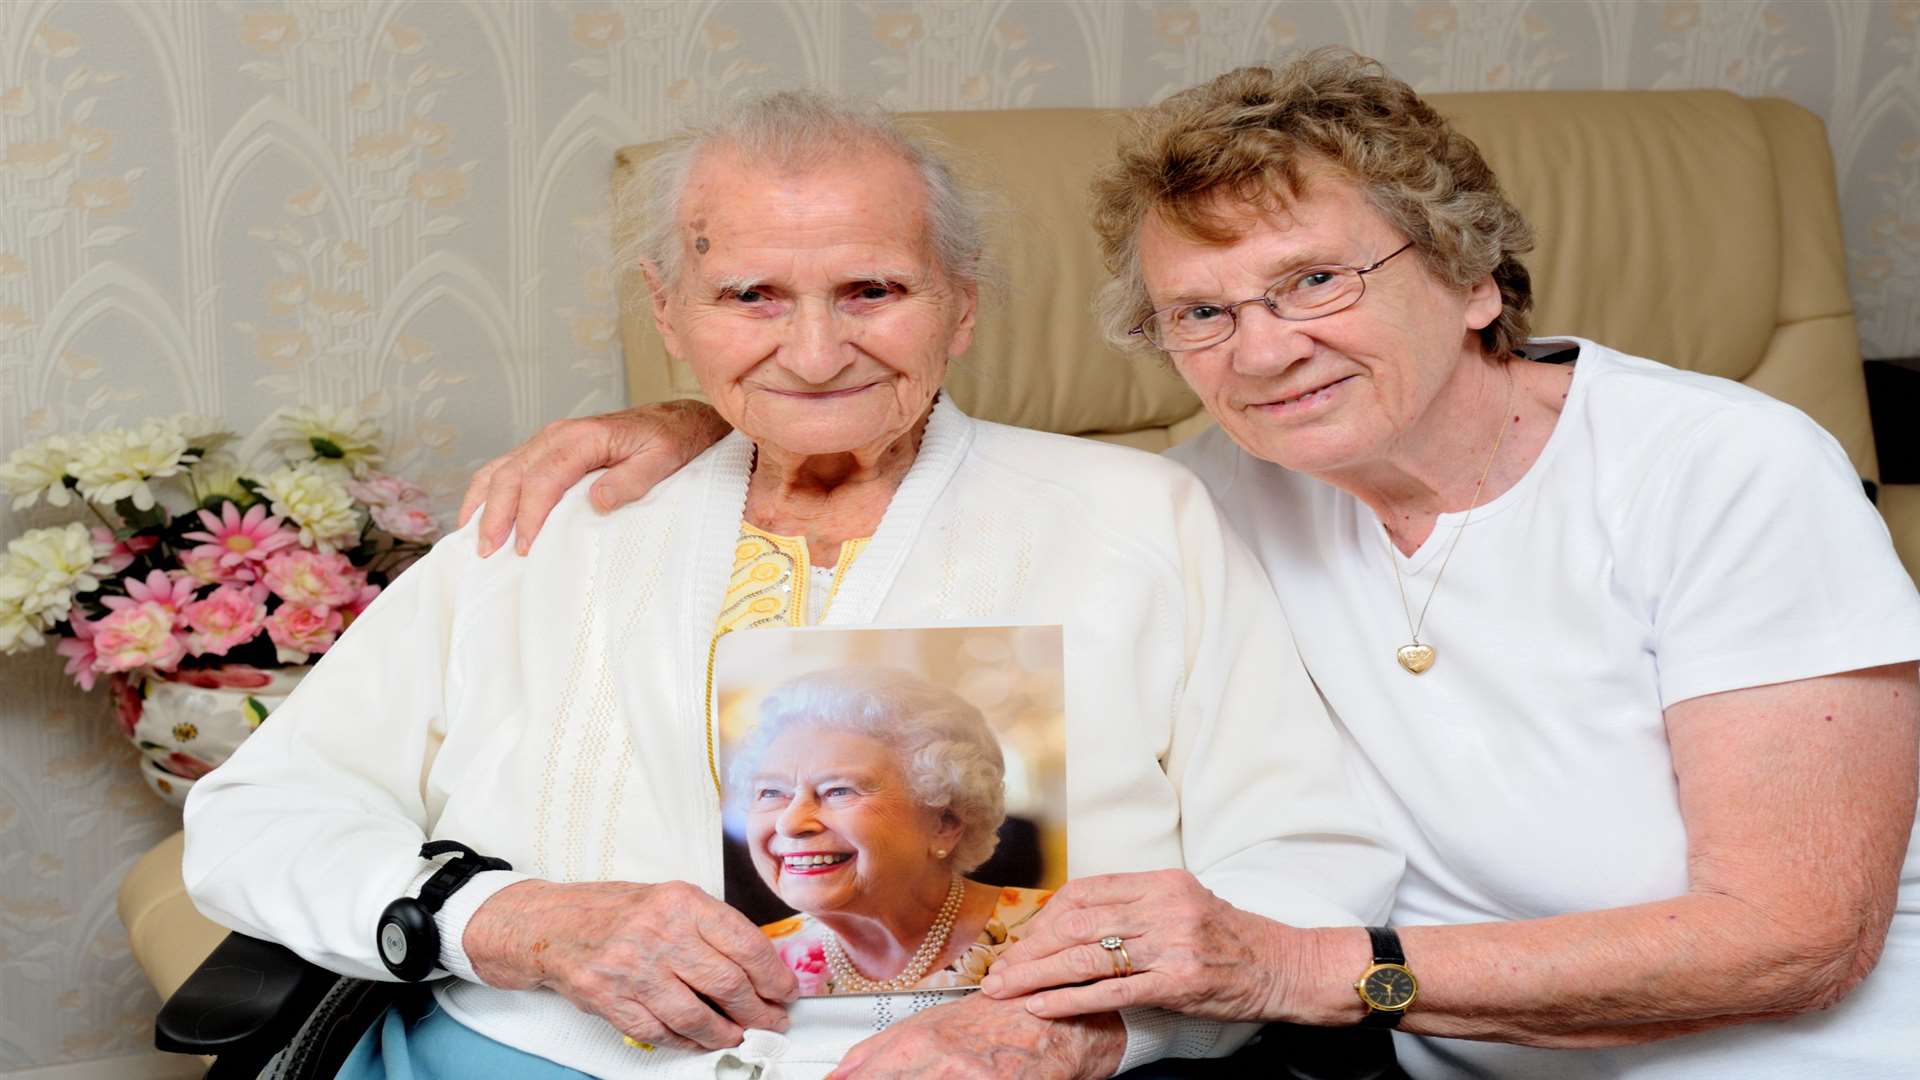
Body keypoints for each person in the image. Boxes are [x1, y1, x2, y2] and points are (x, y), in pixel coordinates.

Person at [467, 50, 1920, 1078]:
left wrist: (1311, 973)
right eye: (1199, 314)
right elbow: (949, 464)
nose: (1263, 347)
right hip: (1415, 1065)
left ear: (1476, 277)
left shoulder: (1723, 468)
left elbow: (1791, 940)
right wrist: (701, 420)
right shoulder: (1222, 487)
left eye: (1316, 282)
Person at [182, 89, 1402, 1080]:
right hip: (532, 1054)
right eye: (750, 295)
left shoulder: (1144, 517)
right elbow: (257, 820)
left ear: (960, 308)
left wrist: (1075, 1036)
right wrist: (510, 924)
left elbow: (1303, 856)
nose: (815, 354)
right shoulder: (554, 519)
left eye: (871, 290)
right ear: (671, 314)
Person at [732, 666, 1051, 995]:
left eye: (839, 790)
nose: (790, 823)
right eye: (771, 792)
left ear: (944, 824)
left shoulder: (1059, 936)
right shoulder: (753, 969)